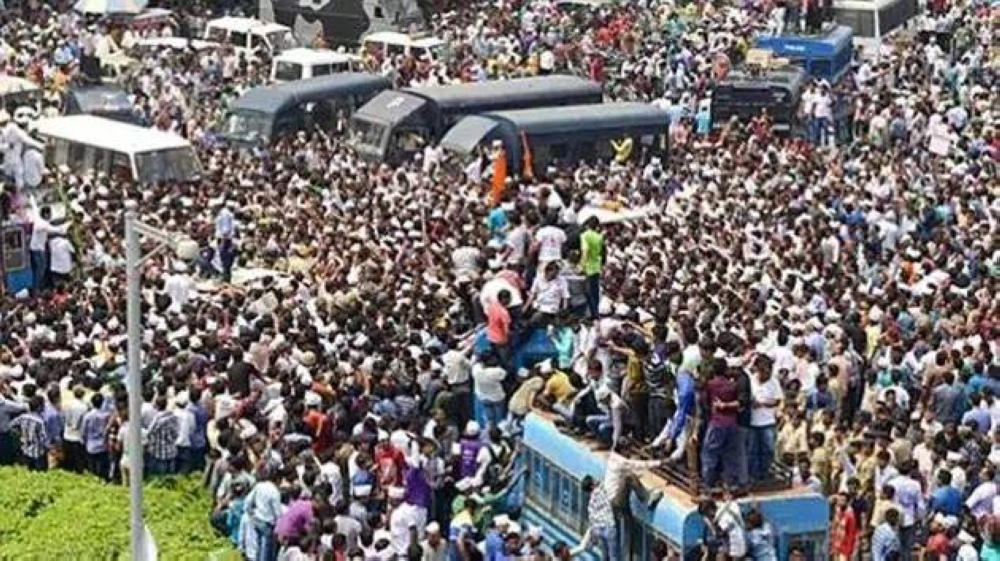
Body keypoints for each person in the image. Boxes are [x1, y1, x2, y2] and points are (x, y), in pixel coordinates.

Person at [10, 395, 49, 471]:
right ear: (39, 408)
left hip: (25, 450)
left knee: (29, 472)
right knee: (40, 474)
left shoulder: (22, 417)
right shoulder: (40, 421)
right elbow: (44, 439)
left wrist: (20, 434)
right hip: (38, 453)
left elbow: (11, 425)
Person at [578, 217, 604, 319]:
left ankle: (591, 315)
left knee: (588, 293)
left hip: (588, 267)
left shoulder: (584, 235)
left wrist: (581, 265)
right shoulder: (599, 236)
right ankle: (596, 313)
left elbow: (585, 251)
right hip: (597, 266)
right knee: (595, 292)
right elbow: (601, 253)